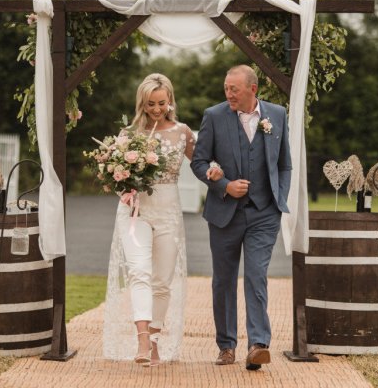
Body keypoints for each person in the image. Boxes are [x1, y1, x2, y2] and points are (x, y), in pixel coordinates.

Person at [103, 73, 221, 366]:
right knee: (139, 273)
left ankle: (154, 339)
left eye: (161, 103)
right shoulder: (128, 134)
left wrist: (215, 170)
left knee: (162, 282)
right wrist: (122, 185)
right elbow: (113, 175)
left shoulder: (182, 132)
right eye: (150, 104)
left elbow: (202, 161)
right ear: (142, 103)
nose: (156, 109)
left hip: (168, 212)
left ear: (170, 101)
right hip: (135, 212)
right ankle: (141, 338)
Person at [190, 65, 292, 371]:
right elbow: (198, 161)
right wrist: (223, 185)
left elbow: (285, 164)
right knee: (223, 280)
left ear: (253, 89)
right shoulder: (214, 115)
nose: (229, 94)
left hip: (264, 213)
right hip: (224, 214)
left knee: (256, 275)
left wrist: (278, 197)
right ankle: (226, 346)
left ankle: (258, 344)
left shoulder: (277, 114)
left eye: (234, 89)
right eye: (226, 88)